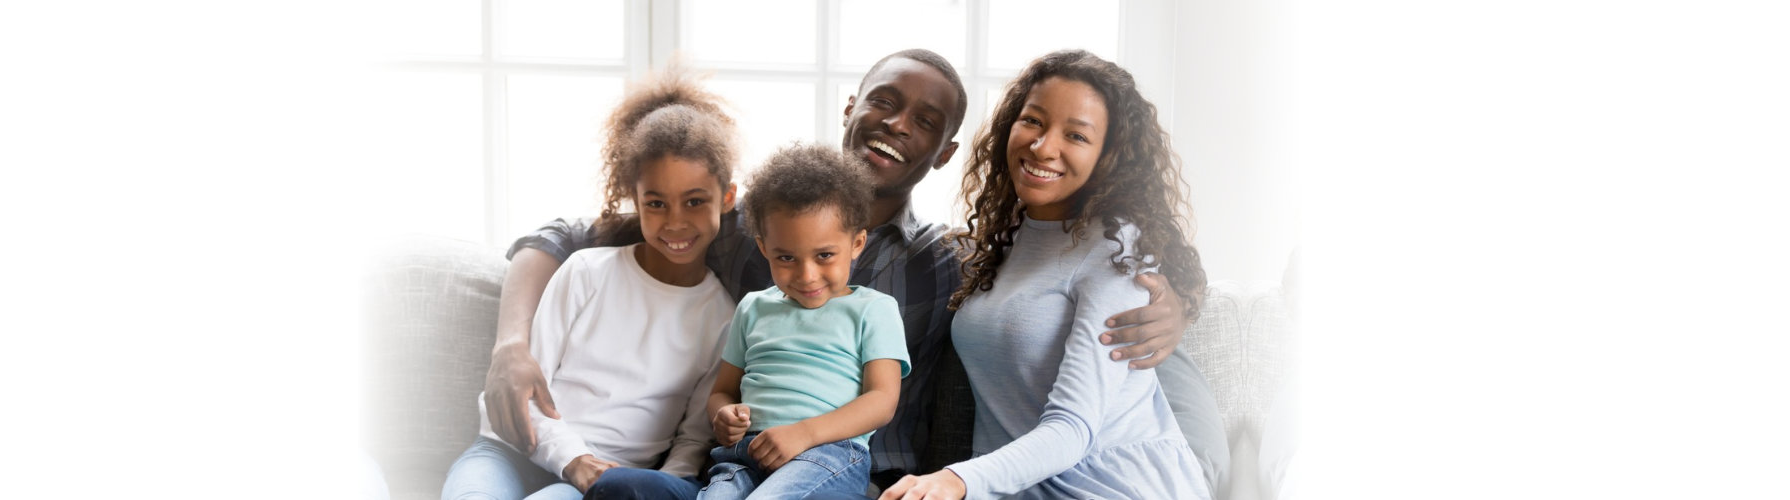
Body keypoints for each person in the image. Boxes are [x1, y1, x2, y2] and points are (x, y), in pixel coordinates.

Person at [488, 49, 1229, 495]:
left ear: (944, 153)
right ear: (851, 106)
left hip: (861, 475)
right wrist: (513, 345)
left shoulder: (954, 261)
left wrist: (1183, 304)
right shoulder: (751, 224)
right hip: (740, 458)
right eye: (884, 101)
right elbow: (568, 233)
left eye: (927, 121)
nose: (898, 123)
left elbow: (1123, 356)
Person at [882, 49, 1209, 500]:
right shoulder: (1007, 239)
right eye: (1033, 121)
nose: (1043, 146)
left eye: (1075, 135)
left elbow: (1073, 427)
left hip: (1109, 486)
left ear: (1108, 156)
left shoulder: (1117, 250)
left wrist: (956, 479)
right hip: (1020, 486)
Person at [441, 66, 742, 500]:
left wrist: (661, 486)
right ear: (634, 201)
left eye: (695, 202)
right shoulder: (586, 272)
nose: (676, 222)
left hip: (605, 479)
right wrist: (574, 460)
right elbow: (525, 391)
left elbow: (693, 439)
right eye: (655, 204)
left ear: (727, 197)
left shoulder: (724, 318)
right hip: (509, 451)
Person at [692, 144, 910, 499]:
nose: (807, 275)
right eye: (787, 257)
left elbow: (882, 400)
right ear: (764, 249)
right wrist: (724, 414)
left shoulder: (874, 309)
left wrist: (805, 433)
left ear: (856, 243)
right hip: (744, 456)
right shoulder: (753, 308)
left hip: (828, 453)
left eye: (824, 255)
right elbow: (723, 391)